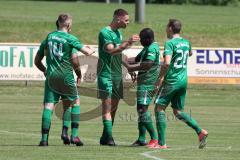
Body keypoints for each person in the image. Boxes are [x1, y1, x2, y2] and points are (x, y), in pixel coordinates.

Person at [34, 13, 95, 146]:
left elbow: (37, 61)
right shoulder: (70, 38)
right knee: (75, 102)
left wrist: (45, 70)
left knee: (49, 106)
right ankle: (74, 136)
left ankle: (44, 140)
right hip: (66, 76)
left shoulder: (49, 37)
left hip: (51, 76)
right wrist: (91, 49)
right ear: (67, 24)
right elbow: (86, 54)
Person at [154, 19, 208, 149]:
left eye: (167, 27)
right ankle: (200, 131)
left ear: (171, 28)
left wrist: (159, 79)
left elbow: (166, 63)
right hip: (183, 80)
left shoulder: (170, 43)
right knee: (178, 111)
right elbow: (189, 53)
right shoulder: (186, 42)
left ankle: (161, 143)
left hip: (171, 80)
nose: (166, 29)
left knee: (159, 108)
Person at [97, 8, 139, 146]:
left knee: (114, 107)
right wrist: (128, 43)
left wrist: (128, 66)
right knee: (107, 107)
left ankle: (105, 136)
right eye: (126, 20)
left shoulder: (119, 33)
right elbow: (111, 50)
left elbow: (119, 54)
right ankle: (109, 138)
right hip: (105, 75)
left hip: (117, 75)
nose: (128, 22)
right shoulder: (105, 32)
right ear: (118, 19)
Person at [125, 28, 160, 148]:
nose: (140, 42)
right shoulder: (147, 48)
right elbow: (135, 59)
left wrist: (132, 68)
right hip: (143, 83)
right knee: (141, 110)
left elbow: (148, 64)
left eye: (142, 40)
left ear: (148, 39)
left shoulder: (152, 48)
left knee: (142, 110)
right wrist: (120, 58)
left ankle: (155, 139)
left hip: (148, 84)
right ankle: (141, 139)